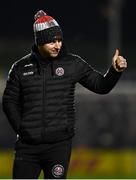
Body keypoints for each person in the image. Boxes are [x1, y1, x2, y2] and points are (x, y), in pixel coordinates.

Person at [2, 10, 127, 179]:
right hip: (27, 147)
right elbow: (9, 101)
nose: (57, 45)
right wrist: (22, 129)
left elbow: (101, 86)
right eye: (52, 41)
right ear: (39, 41)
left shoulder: (72, 64)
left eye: (59, 40)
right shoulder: (20, 68)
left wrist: (114, 71)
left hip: (58, 147)